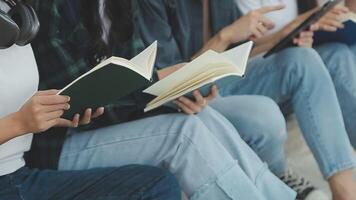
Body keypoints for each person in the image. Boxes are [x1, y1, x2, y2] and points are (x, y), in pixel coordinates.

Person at [27, 0, 298, 199]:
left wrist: (177, 92)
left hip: (107, 124)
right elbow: (82, 100)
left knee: (202, 116)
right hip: (59, 145)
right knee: (181, 134)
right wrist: (157, 87)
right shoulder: (53, 7)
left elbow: (135, 75)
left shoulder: (119, 6)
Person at [134, 0, 356, 200]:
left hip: (217, 82)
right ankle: (278, 174)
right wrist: (226, 36)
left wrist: (282, 38)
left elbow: (234, 60)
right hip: (187, 98)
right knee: (263, 114)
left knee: (302, 59)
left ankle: (345, 190)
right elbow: (170, 82)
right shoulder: (152, 4)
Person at [0, 1, 181, 200]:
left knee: (158, 183)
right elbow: (20, 120)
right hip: (8, 179)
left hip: (18, 171)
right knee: (162, 179)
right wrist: (20, 123)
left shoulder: (18, 15)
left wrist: (59, 112)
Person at [236, 0, 356, 149]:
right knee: (335, 54)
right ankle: (342, 170)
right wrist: (290, 31)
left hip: (302, 59)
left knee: (348, 48)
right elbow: (242, 53)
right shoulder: (235, 6)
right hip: (268, 76)